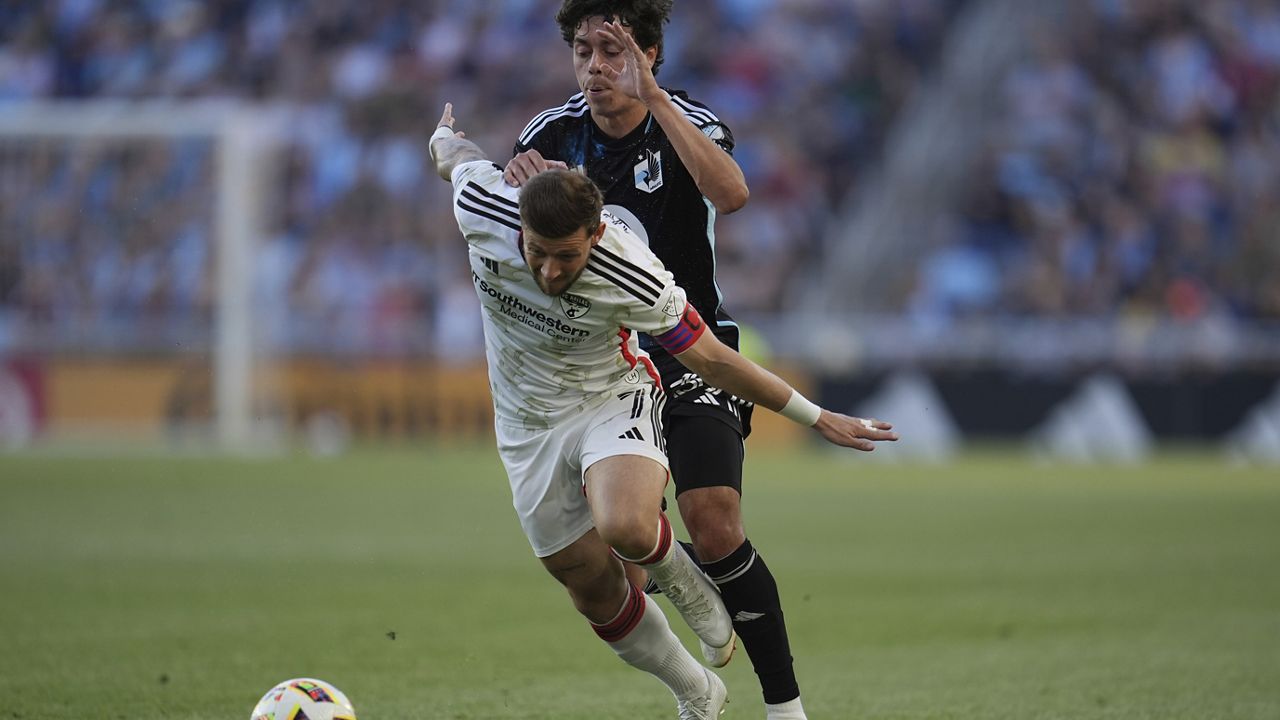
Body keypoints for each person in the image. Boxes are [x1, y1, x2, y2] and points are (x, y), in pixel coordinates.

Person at [432, 103, 897, 719]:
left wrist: (816, 416)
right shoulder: (484, 208)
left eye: (565, 258)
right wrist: (444, 136)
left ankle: (687, 585)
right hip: (526, 423)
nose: (548, 271)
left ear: (595, 237)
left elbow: (712, 358)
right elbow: (456, 161)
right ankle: (694, 689)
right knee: (593, 588)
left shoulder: (630, 268)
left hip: (609, 394)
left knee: (625, 523)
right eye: (537, 252)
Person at [504, 3, 816, 717]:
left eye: (613, 52)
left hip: (688, 350)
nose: (595, 69)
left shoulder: (689, 122)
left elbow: (732, 194)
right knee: (618, 546)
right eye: (583, 51)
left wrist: (655, 99)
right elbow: (510, 238)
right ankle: (694, 687)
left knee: (714, 522)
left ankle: (785, 709)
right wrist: (514, 181)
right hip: (596, 367)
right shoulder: (549, 134)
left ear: (647, 54)